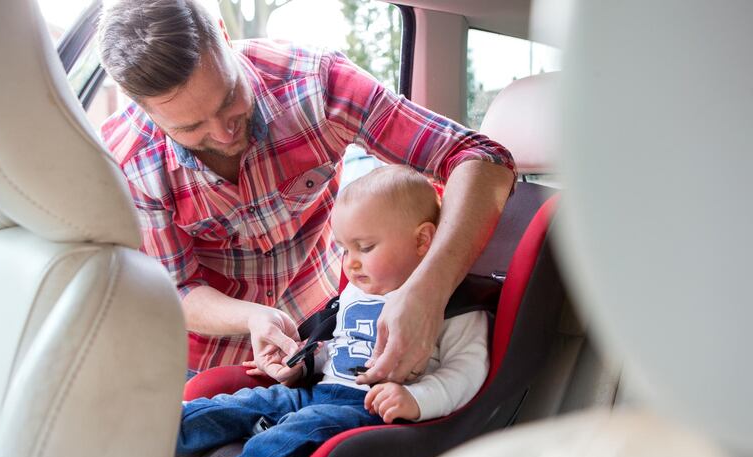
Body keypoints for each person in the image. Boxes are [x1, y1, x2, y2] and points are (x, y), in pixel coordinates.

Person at [98, 0, 514, 382]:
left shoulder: (317, 84)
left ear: (225, 38)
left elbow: (481, 159)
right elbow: (178, 288)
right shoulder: (130, 161)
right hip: (201, 359)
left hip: (324, 329)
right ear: (142, 108)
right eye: (190, 129)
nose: (223, 133)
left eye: (229, 99)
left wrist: (426, 292)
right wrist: (254, 317)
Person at [160, 166, 489, 457]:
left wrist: (416, 399)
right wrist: (303, 363)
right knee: (242, 403)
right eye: (345, 249)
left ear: (422, 240)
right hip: (318, 391)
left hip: (368, 411)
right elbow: (337, 346)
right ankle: (145, 434)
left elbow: (467, 372)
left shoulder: (453, 306)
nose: (351, 262)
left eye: (365, 248)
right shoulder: (356, 291)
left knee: (301, 428)